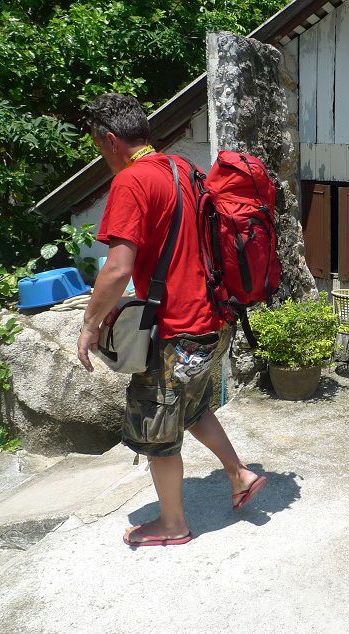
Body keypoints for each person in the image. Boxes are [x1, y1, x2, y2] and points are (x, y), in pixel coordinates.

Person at [77, 94, 266, 547]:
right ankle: (239, 474)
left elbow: (118, 268)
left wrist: (89, 324)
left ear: (109, 139)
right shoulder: (184, 168)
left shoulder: (132, 181)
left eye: (100, 148)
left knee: (158, 428)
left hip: (177, 331)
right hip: (216, 323)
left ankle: (172, 523)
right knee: (193, 407)